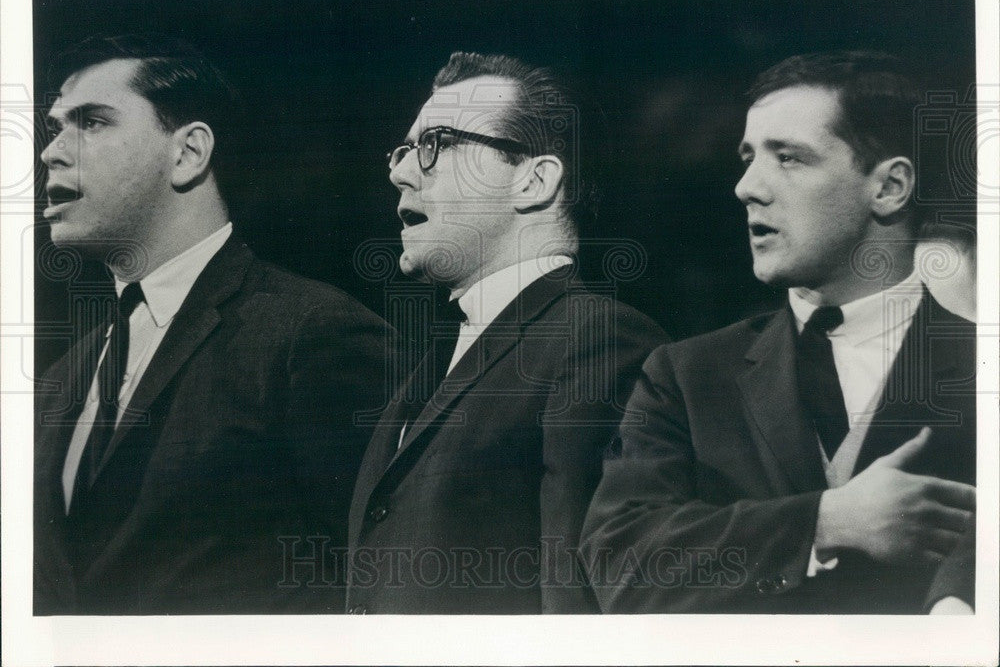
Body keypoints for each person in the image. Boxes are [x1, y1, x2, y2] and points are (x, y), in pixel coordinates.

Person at [580, 51, 976, 613]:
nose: (746, 187)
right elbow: (620, 562)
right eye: (748, 158)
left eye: (788, 158)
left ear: (889, 187)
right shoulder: (686, 376)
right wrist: (823, 522)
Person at [34, 34, 392, 614]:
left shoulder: (316, 335)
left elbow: (380, 584)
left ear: (189, 153)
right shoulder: (54, 384)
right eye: (55, 128)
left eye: (93, 123)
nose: (51, 151)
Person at [344, 52, 666, 614]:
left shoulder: (598, 341)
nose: (399, 171)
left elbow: (577, 605)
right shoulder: (435, 361)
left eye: (435, 144)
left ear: (533, 180)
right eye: (403, 150)